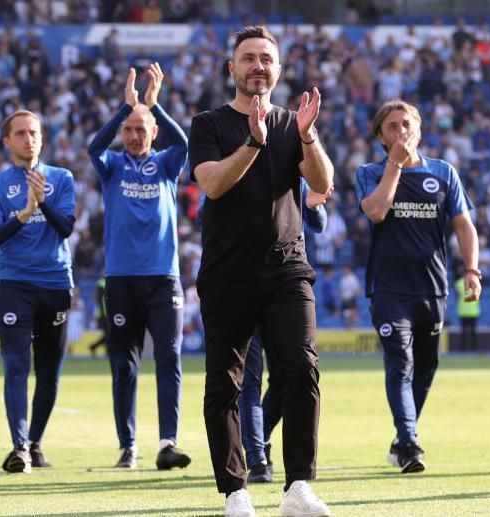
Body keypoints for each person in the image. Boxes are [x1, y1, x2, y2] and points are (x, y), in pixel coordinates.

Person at [188, 24, 333, 517]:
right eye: (248, 58)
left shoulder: (295, 122)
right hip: (227, 273)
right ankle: (236, 491)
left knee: (301, 365)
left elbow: (322, 183)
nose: (257, 66)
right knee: (225, 385)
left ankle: (298, 488)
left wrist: (309, 136)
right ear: (232, 68)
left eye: (265, 58)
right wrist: (252, 143)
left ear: (278, 67)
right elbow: (211, 185)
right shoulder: (208, 124)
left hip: (287, 268)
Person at [356, 100, 481, 474]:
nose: (401, 132)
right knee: (401, 362)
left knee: (426, 366)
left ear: (420, 129)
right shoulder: (370, 172)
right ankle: (410, 442)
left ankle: (401, 438)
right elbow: (376, 210)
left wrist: (472, 270)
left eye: (406, 125)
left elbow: (463, 225)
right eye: (392, 127)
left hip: (432, 288)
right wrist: (394, 164)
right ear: (380, 136)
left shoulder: (443, 173)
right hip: (389, 289)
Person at [87, 62, 191, 471]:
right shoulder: (112, 166)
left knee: (169, 357)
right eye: (127, 130)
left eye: (140, 129)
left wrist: (153, 105)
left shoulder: (166, 164)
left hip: (164, 279)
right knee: (124, 366)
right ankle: (128, 446)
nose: (132, 135)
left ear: (153, 133)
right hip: (121, 280)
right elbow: (93, 148)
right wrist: (125, 107)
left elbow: (183, 143)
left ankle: (168, 443)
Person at [0, 110, 76, 473]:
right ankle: (19, 446)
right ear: (7, 142)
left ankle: (35, 442)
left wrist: (42, 202)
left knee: (49, 371)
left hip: (55, 284)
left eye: (33, 132)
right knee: (17, 365)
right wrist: (24, 213)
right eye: (20, 133)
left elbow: (66, 227)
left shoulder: (61, 178)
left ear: (42, 137)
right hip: (14, 285)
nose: (28, 139)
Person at [240, 181, 328, 485]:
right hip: (242, 283)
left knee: (287, 376)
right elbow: (206, 212)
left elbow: (318, 223)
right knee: (248, 380)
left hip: (285, 287)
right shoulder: (234, 167)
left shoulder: (293, 173)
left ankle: (258, 437)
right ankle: (257, 458)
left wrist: (314, 205)